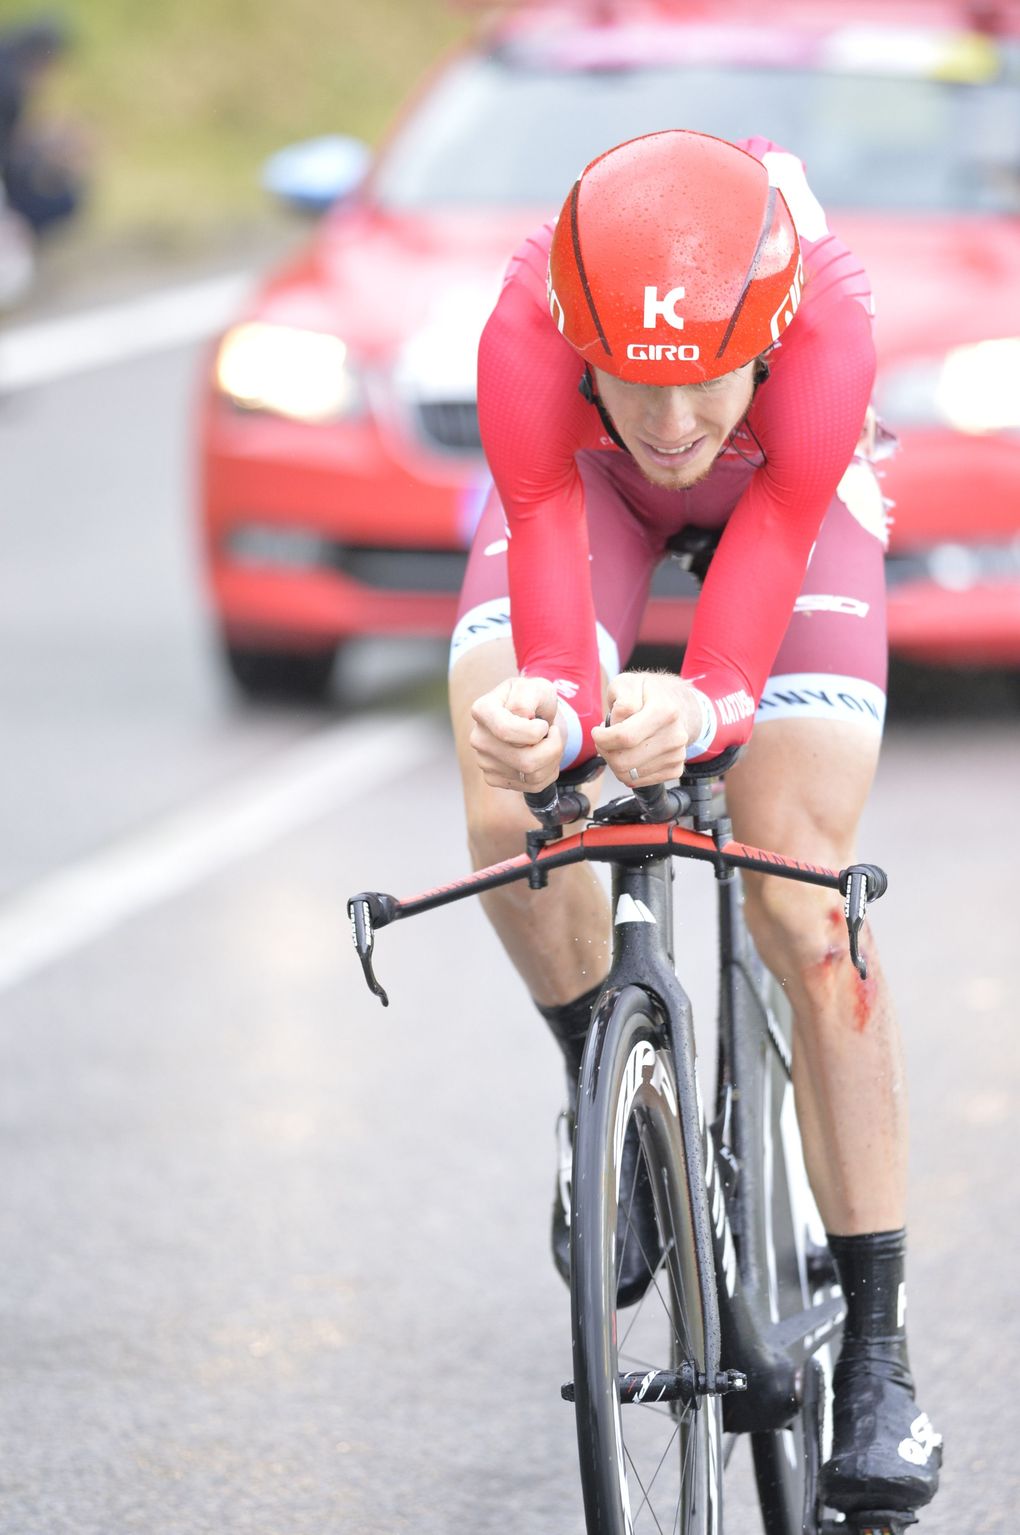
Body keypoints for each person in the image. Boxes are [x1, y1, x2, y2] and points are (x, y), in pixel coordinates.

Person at [448, 129, 942, 1516]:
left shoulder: (827, 322)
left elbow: (759, 587)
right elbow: (545, 547)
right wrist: (547, 716)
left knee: (799, 890)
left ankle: (883, 1353)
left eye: (703, 381)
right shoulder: (531, 326)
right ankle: (602, 1102)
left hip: (791, 490)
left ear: (769, 333)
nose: (671, 425)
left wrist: (705, 709)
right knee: (509, 791)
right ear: (579, 336)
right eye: (637, 385)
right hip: (579, 496)